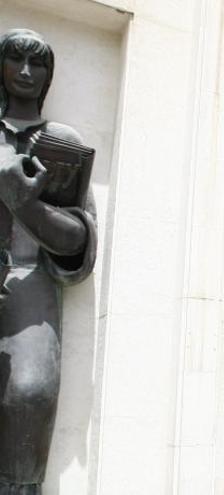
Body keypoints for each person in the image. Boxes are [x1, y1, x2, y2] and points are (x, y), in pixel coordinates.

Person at [0, 29, 97, 492]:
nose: (24, 72)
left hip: (32, 276)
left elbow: (79, 236)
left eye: (36, 64)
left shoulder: (61, 142)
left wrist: (26, 204)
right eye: (15, 60)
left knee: (30, 392)